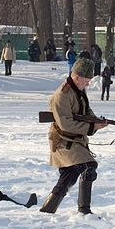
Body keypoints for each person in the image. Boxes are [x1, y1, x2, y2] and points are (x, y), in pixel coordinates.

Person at [40, 57, 108, 214]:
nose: (88, 84)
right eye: (86, 80)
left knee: (69, 175)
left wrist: (95, 120)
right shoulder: (62, 95)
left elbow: (85, 111)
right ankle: (84, 211)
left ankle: (47, 210)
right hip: (63, 141)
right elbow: (66, 124)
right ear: (76, 77)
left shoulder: (78, 89)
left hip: (74, 140)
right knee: (88, 167)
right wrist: (92, 127)